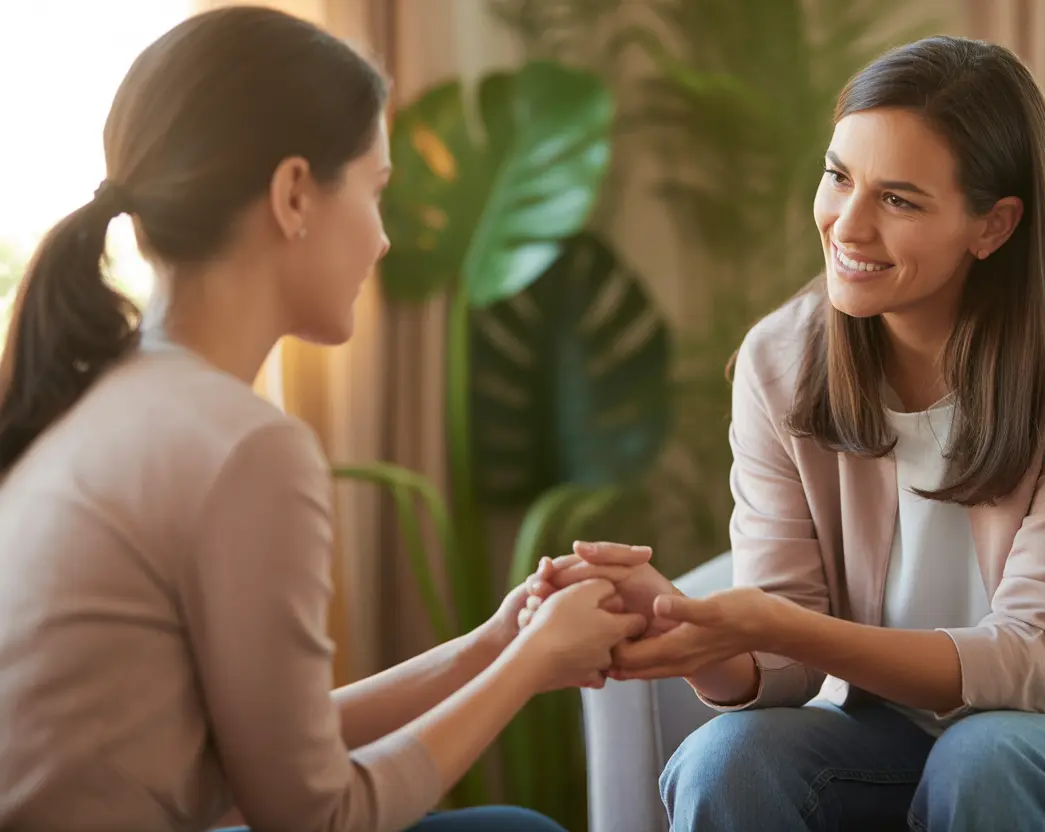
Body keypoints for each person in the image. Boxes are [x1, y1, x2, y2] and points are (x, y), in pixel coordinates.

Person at [523, 35, 1045, 832]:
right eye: (839, 176)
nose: (847, 225)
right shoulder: (782, 357)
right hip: (904, 734)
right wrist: (691, 632)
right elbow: (782, 657)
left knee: (988, 756)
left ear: (994, 226)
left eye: (899, 200)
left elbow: (1044, 658)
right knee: (726, 758)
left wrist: (777, 623)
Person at [0, 7, 648, 832]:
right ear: (295, 193)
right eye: (376, 191)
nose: (381, 240)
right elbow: (319, 817)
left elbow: (265, 758)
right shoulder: (244, 449)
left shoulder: (100, 393)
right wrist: (529, 666)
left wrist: (496, 646)